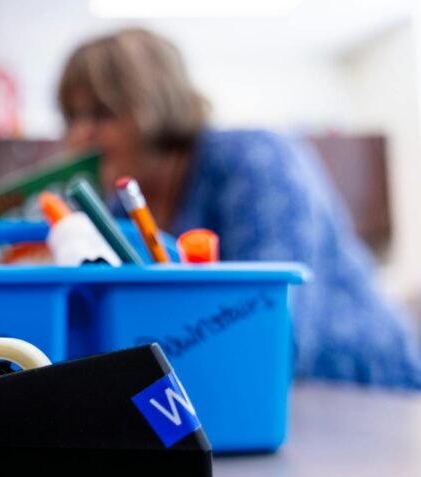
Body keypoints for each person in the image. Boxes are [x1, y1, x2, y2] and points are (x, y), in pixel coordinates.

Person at [58, 28, 421, 389]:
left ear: (154, 103)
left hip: (362, 384)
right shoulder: (117, 208)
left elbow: (273, 327)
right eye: (72, 117)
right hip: (256, 392)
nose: (80, 135)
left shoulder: (253, 161)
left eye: (102, 113)